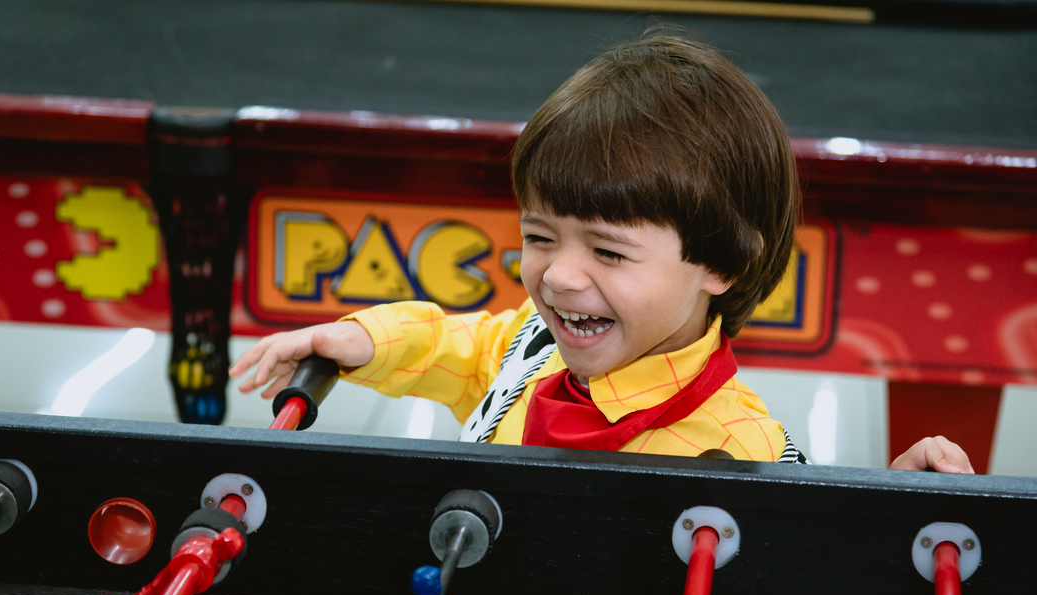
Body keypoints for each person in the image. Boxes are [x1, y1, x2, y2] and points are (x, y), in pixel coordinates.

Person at [230, 34, 973, 474]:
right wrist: (359, 338)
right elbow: (469, 346)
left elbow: (804, 574)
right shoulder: (538, 348)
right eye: (540, 235)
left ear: (723, 262)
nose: (558, 275)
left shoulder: (738, 453)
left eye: (610, 252)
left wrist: (885, 510)